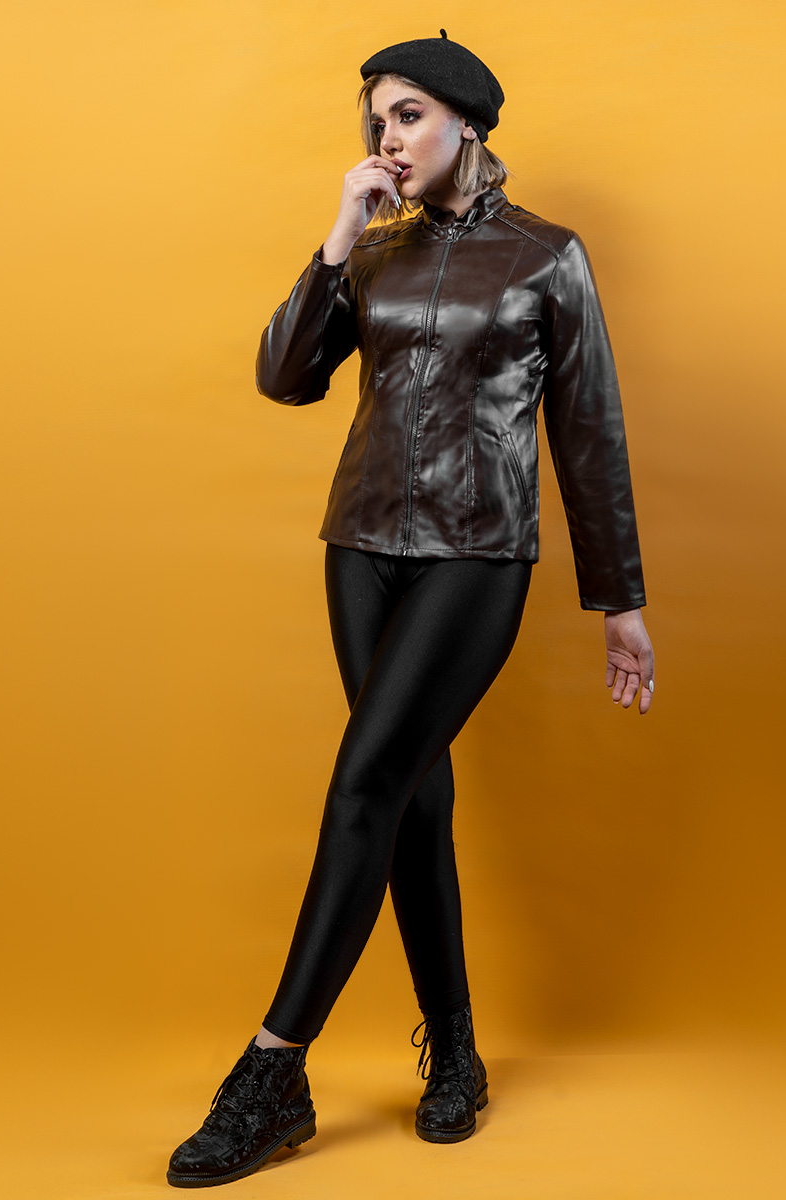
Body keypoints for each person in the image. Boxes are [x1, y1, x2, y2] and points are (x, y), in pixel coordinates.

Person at [166, 29, 655, 1189]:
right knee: (411, 798)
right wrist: (339, 236)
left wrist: (619, 600)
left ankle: (272, 1069)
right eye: (376, 119)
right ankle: (458, 1058)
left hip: (476, 556)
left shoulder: (547, 256)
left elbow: (589, 431)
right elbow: (286, 376)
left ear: (466, 123)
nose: (387, 138)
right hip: (360, 548)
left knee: (365, 784)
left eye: (408, 116)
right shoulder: (376, 252)